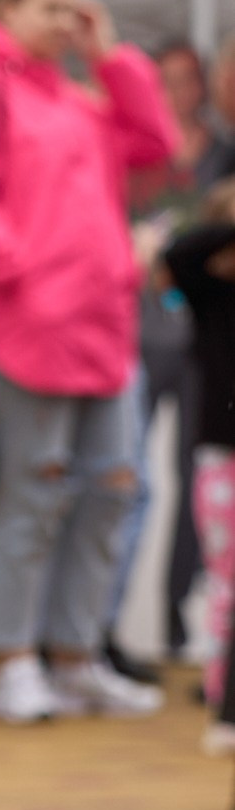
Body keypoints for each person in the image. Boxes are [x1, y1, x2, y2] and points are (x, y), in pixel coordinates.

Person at [0, 0, 181, 725]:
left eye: (75, 7)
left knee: (112, 488)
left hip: (102, 323)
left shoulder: (75, 96)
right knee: (30, 493)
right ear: (5, 6)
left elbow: (154, 145)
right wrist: (16, 270)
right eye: (51, 7)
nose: (66, 21)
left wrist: (113, 58)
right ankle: (12, 657)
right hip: (29, 323)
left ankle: (75, 655)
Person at [162, 180, 235, 745]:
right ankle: (222, 696)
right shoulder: (209, 294)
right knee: (226, 583)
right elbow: (177, 255)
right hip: (221, 456)